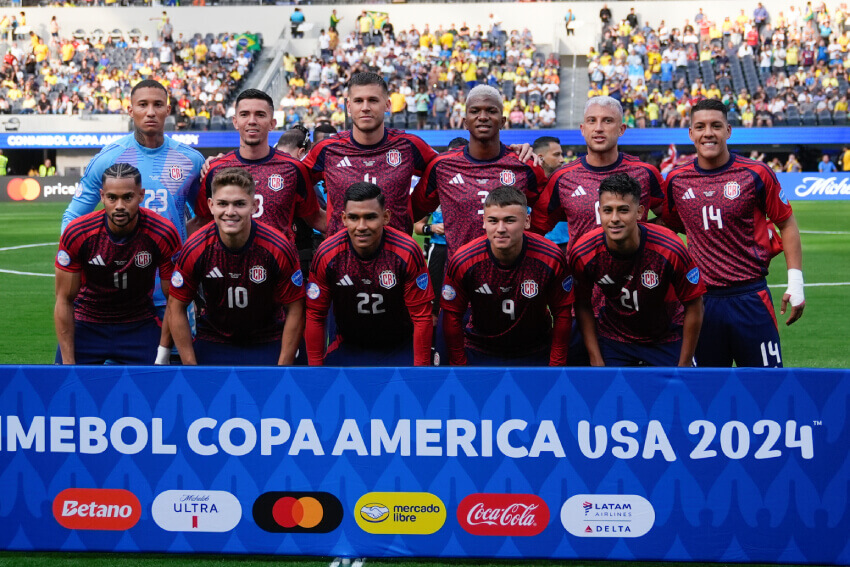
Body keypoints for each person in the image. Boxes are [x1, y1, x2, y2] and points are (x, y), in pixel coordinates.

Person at [61, 80, 204, 362]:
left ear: (168, 110)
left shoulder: (190, 160)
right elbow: (73, 217)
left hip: (169, 293)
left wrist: (179, 241)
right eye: (143, 105)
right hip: (116, 293)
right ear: (130, 110)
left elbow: (207, 215)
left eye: (157, 105)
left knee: (171, 375)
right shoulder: (109, 158)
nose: (150, 111)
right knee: (113, 380)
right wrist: (88, 262)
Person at [663, 98, 805, 367]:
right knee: (705, 393)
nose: (708, 133)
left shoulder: (756, 173)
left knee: (766, 388)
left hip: (751, 297)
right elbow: (669, 224)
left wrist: (796, 283)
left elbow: (786, 224)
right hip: (701, 302)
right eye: (700, 126)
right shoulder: (675, 181)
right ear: (690, 133)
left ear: (728, 131)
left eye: (716, 126)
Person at [167, 168, 305, 366]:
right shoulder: (196, 246)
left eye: (239, 204)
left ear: (254, 206)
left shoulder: (277, 247)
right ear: (211, 205)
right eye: (222, 204)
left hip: (267, 339)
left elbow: (295, 308)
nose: (230, 212)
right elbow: (176, 305)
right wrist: (191, 366)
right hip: (213, 339)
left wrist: (283, 366)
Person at [570, 173, 705, 367]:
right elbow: (582, 304)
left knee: (680, 394)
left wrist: (684, 364)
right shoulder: (584, 252)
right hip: (614, 338)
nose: (614, 218)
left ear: (640, 212)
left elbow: (694, 304)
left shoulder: (670, 248)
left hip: (666, 336)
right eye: (608, 210)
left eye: (623, 210)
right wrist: (595, 358)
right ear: (600, 212)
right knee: (610, 394)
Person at [55, 163, 181, 365]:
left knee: (156, 393)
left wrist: (163, 354)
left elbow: (174, 300)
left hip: (139, 325)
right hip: (86, 325)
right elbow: (63, 299)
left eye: (128, 197)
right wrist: (68, 365)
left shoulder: (162, 233)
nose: (120, 205)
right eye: (112, 197)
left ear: (141, 195)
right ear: (102, 196)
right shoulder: (78, 232)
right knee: (66, 390)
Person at [441, 187, 574, 366]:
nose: (501, 229)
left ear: (527, 221)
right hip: (480, 347)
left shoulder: (551, 257)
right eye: (493, 221)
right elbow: (452, 316)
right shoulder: (465, 260)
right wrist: (459, 364)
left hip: (536, 349)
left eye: (510, 220)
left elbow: (563, 314)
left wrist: (556, 365)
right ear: (483, 222)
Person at [411, 85, 547, 259]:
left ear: (503, 121)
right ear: (465, 121)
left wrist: (524, 240)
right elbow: (411, 212)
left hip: (513, 273)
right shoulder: (442, 166)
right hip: (459, 275)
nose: (483, 117)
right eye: (475, 111)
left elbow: (547, 214)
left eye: (491, 111)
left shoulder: (524, 165)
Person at [306, 182, 433, 366]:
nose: (361, 226)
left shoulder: (407, 252)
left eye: (370, 217)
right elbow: (316, 315)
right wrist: (315, 372)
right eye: (354, 217)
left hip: (400, 346)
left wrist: (420, 370)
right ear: (343, 219)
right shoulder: (327, 254)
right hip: (349, 345)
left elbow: (422, 317)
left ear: (386, 217)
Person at [302, 72, 439, 237]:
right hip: (341, 256)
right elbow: (297, 183)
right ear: (349, 106)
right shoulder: (327, 150)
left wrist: (411, 212)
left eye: (373, 100)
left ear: (387, 105)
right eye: (358, 101)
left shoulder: (409, 146)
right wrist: (316, 218)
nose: (365, 107)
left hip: (397, 256)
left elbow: (440, 172)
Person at [196, 89, 325, 245]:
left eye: (260, 114)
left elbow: (316, 219)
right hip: (229, 265)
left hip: (279, 265)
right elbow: (200, 223)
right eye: (244, 114)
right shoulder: (215, 169)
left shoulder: (294, 168)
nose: (252, 121)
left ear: (272, 123)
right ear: (235, 122)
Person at [532, 96, 664, 247]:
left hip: (634, 269)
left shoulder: (645, 173)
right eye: (592, 120)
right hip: (582, 270)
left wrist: (646, 237)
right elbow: (536, 228)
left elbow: (671, 217)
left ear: (621, 129)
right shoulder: (562, 178)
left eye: (607, 121)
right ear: (583, 129)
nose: (598, 128)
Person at [532, 136, 569, 253]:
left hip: (566, 247)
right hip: (537, 246)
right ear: (540, 158)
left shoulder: (568, 184)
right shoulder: (525, 185)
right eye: (556, 155)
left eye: (561, 154)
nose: (562, 159)